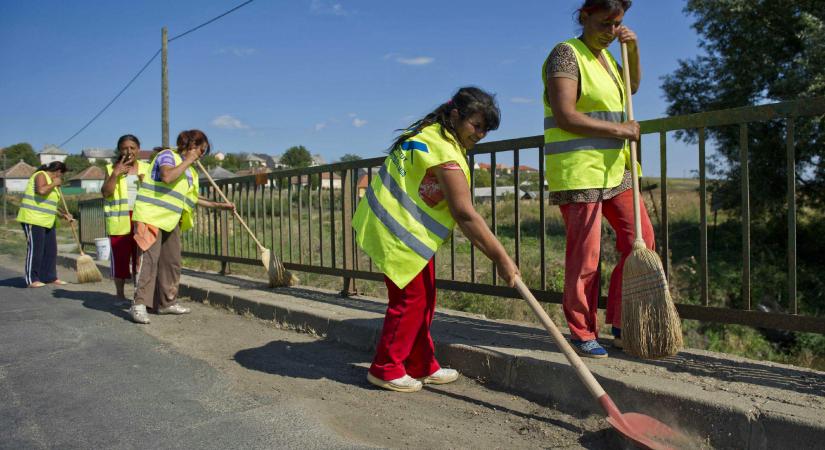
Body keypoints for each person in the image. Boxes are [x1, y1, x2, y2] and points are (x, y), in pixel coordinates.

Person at [353, 87, 520, 392]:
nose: (481, 134)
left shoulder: (435, 135)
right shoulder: (443, 149)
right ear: (456, 115)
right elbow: (464, 213)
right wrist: (501, 258)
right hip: (397, 230)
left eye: (485, 129)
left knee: (425, 297)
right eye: (476, 125)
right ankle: (386, 368)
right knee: (410, 300)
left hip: (405, 229)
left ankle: (420, 364)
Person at [542, 0, 653, 358]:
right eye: (604, 23)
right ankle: (582, 329)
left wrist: (631, 48)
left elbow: (631, 87)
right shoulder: (565, 54)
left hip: (617, 169)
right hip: (579, 170)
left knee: (641, 241)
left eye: (616, 24)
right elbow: (565, 115)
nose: (610, 31)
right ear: (584, 16)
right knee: (586, 257)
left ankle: (621, 322)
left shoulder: (608, 57)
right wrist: (619, 128)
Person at [129, 130, 234, 324]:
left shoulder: (190, 172)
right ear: (191, 146)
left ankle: (167, 303)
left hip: (171, 220)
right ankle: (139, 304)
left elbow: (192, 198)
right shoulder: (168, 156)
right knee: (148, 261)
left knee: (172, 262)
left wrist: (219, 205)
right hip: (151, 216)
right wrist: (187, 160)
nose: (201, 155)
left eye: (203, 152)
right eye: (201, 150)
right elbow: (167, 176)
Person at [100, 134, 150, 300]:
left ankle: (139, 296)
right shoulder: (110, 168)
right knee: (120, 260)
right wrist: (115, 174)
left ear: (138, 149)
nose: (129, 151)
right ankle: (120, 295)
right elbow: (106, 193)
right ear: (119, 150)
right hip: (119, 221)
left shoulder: (147, 168)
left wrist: (146, 183)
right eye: (124, 148)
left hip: (141, 218)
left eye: (132, 148)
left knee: (140, 260)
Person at [17, 161, 73, 288]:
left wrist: (63, 214)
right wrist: (54, 183)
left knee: (51, 250)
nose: (61, 178)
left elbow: (49, 203)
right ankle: (32, 279)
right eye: (62, 175)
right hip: (33, 219)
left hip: (47, 221)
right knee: (36, 249)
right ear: (58, 171)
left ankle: (49, 277)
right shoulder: (41, 175)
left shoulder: (53, 184)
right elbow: (41, 191)